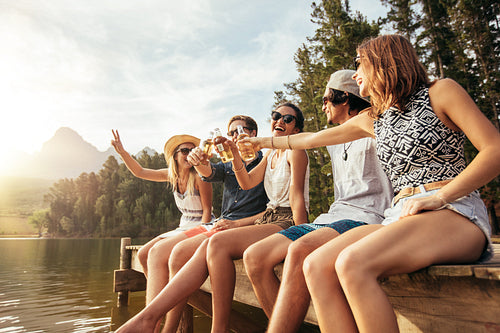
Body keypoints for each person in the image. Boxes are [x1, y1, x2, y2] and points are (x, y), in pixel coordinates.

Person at [243, 34, 500, 333]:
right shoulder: (375, 120)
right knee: (315, 265)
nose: (355, 74)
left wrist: (441, 196)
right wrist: (262, 141)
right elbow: (310, 139)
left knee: (352, 263)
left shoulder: (440, 92)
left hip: (455, 211)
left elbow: (494, 150)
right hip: (400, 217)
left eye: (359, 63)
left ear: (384, 61)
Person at [115, 103, 309, 333]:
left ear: (296, 130)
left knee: (214, 243)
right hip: (263, 219)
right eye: (276, 116)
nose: (279, 120)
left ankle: (195, 325)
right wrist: (232, 154)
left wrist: (302, 234)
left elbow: (296, 197)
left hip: (280, 220)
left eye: (287, 119)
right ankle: (152, 319)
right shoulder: (269, 156)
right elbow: (245, 182)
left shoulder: (292, 151)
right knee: (186, 248)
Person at [242, 70, 393, 332]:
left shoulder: (372, 122)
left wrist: (262, 141)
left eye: (326, 99)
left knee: (300, 251)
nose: (322, 105)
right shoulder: (336, 138)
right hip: (332, 218)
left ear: (344, 98)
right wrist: (259, 144)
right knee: (255, 256)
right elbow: (306, 139)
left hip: (368, 217)